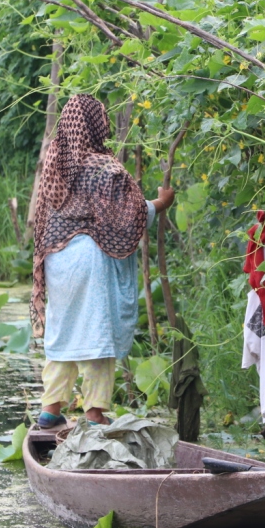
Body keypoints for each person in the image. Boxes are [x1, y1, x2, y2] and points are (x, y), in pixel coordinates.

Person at [30, 94, 175, 427]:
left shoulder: (55, 163)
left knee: (64, 330)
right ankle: (94, 412)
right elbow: (129, 215)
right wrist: (160, 203)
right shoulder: (103, 166)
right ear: (97, 124)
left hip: (58, 261)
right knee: (96, 331)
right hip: (92, 259)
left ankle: (51, 409)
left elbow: (44, 220)